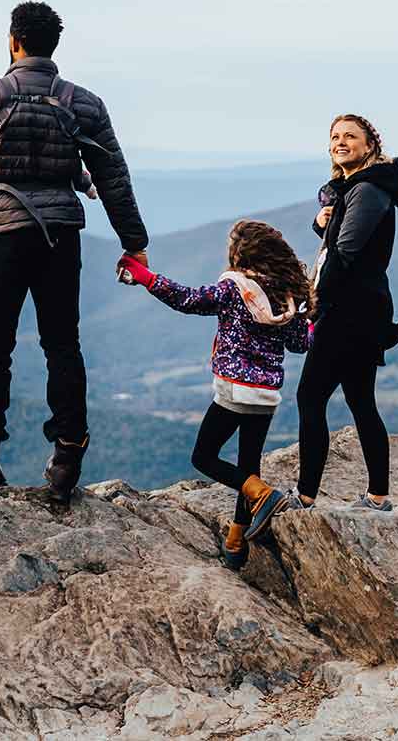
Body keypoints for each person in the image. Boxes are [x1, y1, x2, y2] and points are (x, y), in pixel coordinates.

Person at [0, 1, 150, 500]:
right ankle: (67, 458)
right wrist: (134, 244)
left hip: (0, 238)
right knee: (62, 344)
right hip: (60, 238)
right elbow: (113, 180)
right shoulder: (84, 103)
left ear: (13, 40)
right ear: (53, 46)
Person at [117, 221, 311, 570]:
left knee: (204, 457)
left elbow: (187, 299)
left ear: (240, 255)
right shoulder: (288, 294)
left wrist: (145, 277)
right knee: (247, 465)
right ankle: (236, 541)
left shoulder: (234, 289)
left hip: (234, 390)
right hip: (266, 395)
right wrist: (313, 320)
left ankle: (264, 495)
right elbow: (300, 344)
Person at [294, 115, 398, 512]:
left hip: (348, 309)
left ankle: (305, 496)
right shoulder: (361, 189)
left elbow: (345, 253)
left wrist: (312, 304)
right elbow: (347, 242)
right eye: (335, 137)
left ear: (368, 146)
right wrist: (319, 223)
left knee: (310, 397)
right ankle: (378, 495)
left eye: (350, 137)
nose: (340, 142)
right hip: (366, 306)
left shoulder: (366, 190)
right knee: (361, 400)